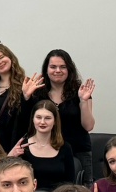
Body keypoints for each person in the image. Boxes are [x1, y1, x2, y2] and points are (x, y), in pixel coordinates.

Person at [24, 49, 96, 185]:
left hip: (78, 150)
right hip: (46, 152)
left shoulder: (80, 92)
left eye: (63, 67)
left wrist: (83, 101)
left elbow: (88, 126)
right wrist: (26, 98)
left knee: (82, 190)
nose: (58, 70)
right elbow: (28, 124)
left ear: (69, 69)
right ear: (46, 69)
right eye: (53, 67)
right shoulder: (37, 92)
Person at [12, 100, 77, 192]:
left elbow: (70, 183)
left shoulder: (65, 148)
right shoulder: (23, 147)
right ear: (33, 119)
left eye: (47, 118)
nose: (42, 122)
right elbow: (9, 177)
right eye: (38, 117)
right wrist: (11, 156)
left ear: (55, 121)